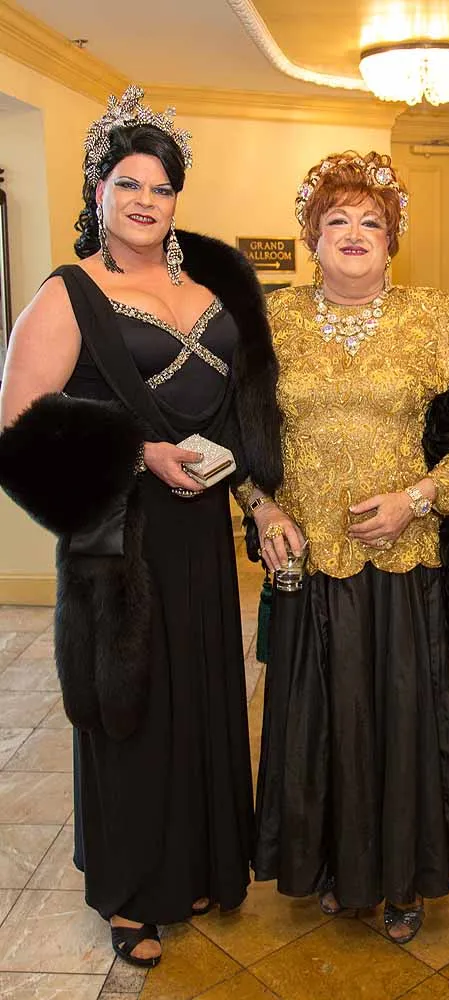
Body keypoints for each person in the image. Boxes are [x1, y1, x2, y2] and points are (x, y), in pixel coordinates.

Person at [0, 86, 281, 967]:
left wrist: (254, 493)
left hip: (199, 535)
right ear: (98, 192)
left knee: (199, 696)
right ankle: (129, 893)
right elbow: (19, 429)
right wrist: (138, 455)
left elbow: (241, 406)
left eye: (161, 188)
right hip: (118, 541)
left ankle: (195, 865)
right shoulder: (69, 294)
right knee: (131, 710)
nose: (145, 201)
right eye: (128, 184)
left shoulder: (209, 286)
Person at [248, 151, 449, 944]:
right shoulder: (273, 321)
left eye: (372, 221)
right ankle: (334, 867)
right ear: (312, 236)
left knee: (400, 723)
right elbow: (240, 436)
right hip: (309, 566)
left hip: (407, 564)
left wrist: (415, 499)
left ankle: (402, 878)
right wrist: (263, 508)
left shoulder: (430, 317)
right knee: (321, 723)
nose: (355, 233)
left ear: (393, 240)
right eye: (337, 219)